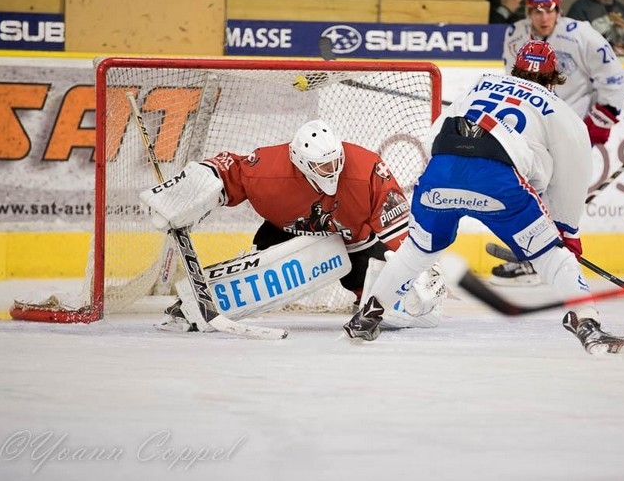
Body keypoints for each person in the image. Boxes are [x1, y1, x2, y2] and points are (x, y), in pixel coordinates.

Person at [343, 40, 624, 356]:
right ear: (554, 80)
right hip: (498, 180)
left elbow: (435, 137)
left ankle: (368, 316)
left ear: (514, 70)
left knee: (417, 250)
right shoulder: (560, 111)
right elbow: (573, 174)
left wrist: (444, 178)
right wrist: (567, 231)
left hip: (441, 171)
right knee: (552, 257)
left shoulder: (482, 85)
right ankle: (588, 326)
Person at [139, 119, 443, 330]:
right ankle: (194, 305)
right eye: (322, 165)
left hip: (354, 243)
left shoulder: (367, 168)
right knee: (257, 279)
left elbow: (399, 226)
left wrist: (417, 267)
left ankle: (368, 295)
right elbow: (228, 171)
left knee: (396, 307)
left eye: (336, 161)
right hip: (286, 237)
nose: (332, 170)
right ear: (298, 160)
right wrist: (203, 183)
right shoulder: (268, 170)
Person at [496, 0, 624, 284]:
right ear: (529, 10)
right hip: (533, 128)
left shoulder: (580, 34)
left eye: (550, 9)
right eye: (537, 10)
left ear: (559, 9)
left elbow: (614, 78)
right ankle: (534, 257)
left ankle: (544, 257)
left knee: (558, 194)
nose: (543, 17)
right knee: (528, 188)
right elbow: (511, 80)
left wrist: (600, 120)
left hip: (570, 128)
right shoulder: (515, 35)